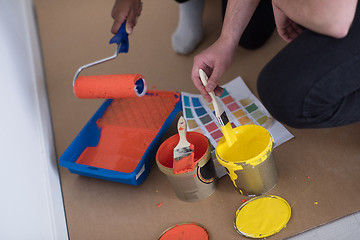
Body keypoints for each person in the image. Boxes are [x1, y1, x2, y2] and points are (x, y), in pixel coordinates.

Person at [192, 0, 360, 129]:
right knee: (250, 32)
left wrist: (280, 3)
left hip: (338, 15)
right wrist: (227, 38)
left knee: (284, 93)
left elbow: (335, 21)